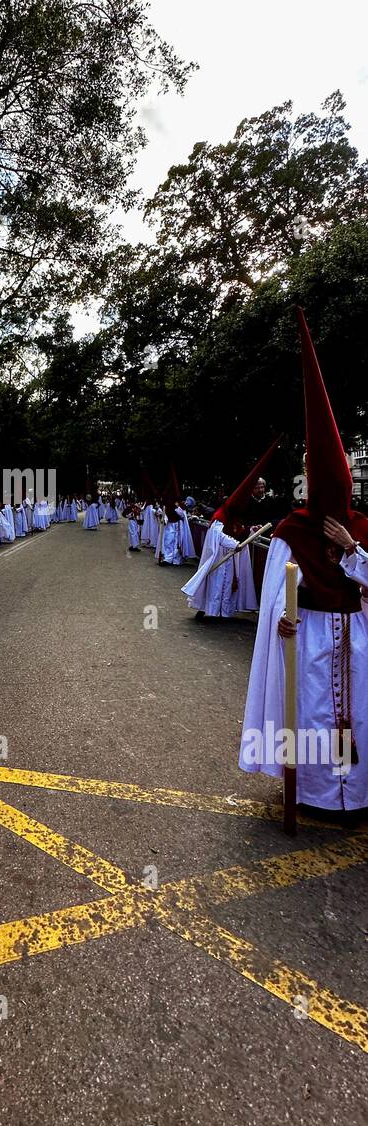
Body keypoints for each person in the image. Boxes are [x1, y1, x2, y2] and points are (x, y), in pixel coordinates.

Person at [238, 310, 368, 812]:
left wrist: (355, 553)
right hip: (311, 634)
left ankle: (354, 795)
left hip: (355, 635)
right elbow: (276, 593)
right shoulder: (293, 529)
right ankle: (315, 794)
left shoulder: (361, 529)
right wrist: (281, 622)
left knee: (355, 715)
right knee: (313, 715)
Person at [182, 437, 281, 621]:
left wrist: (251, 531)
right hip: (220, 556)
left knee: (227, 585)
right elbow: (217, 535)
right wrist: (235, 544)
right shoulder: (221, 514)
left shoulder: (234, 515)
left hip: (230, 557)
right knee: (217, 584)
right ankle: (211, 611)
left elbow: (240, 530)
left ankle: (223, 612)